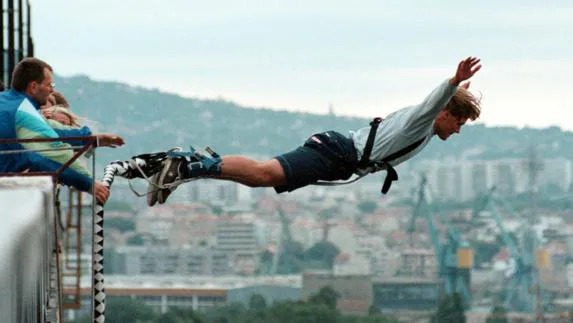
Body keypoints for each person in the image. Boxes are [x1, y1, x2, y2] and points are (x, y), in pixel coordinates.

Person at [147, 56, 482, 206]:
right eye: (459, 122)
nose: (458, 130)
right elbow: (432, 103)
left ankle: (187, 167)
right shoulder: (420, 121)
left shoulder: (423, 128)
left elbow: (436, 106)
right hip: (338, 152)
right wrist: (452, 83)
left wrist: (458, 90)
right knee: (263, 174)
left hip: (338, 155)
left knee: (261, 177)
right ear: (444, 112)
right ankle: (185, 166)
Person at [0, 57, 115, 204]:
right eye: (49, 84)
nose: (52, 90)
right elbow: (55, 151)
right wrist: (89, 183)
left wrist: (91, 138)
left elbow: (49, 133)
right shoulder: (24, 110)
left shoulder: (7, 101)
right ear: (33, 86)